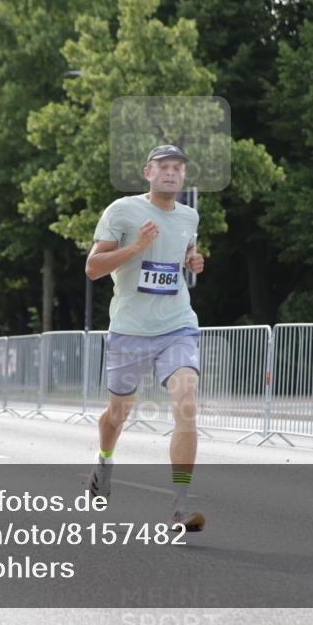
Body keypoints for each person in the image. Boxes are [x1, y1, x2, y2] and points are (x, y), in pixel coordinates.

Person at [85, 144, 206, 532]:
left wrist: (192, 260)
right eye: (163, 167)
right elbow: (92, 268)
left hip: (177, 326)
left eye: (177, 168)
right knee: (117, 414)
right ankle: (105, 459)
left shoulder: (190, 215)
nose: (171, 173)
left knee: (186, 402)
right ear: (147, 173)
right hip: (129, 331)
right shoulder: (122, 211)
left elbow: (185, 249)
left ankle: (180, 506)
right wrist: (136, 246)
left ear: (184, 176)